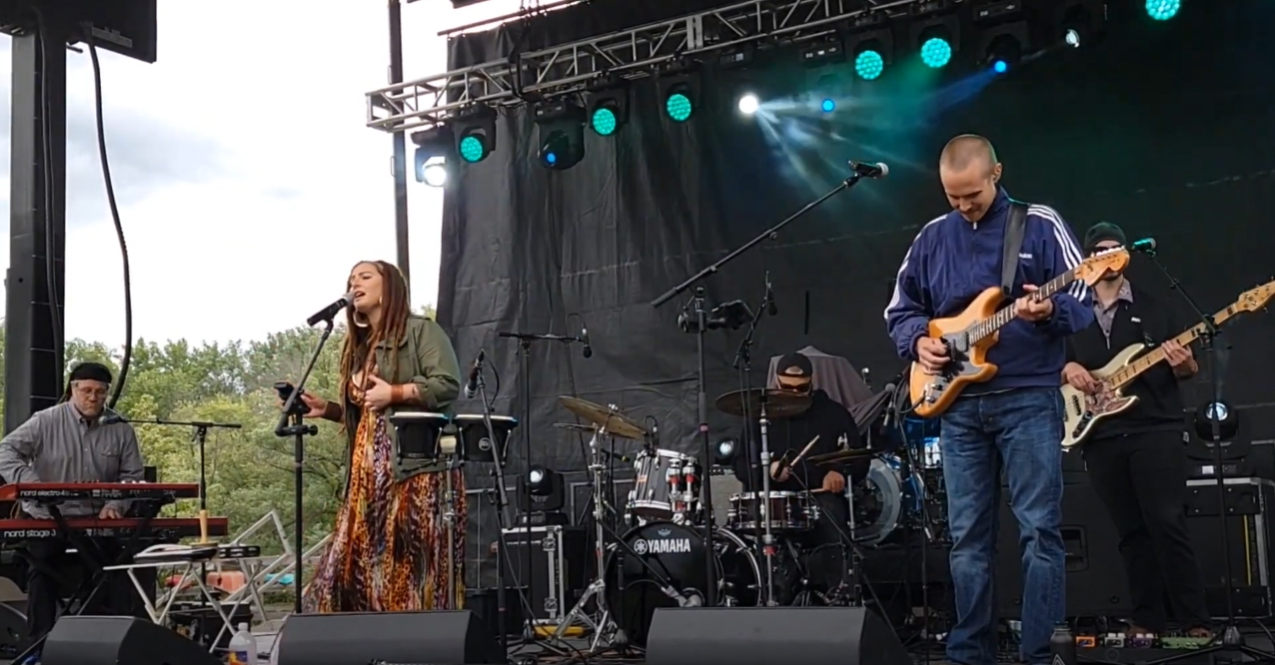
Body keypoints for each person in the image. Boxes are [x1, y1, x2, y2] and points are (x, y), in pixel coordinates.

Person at [884, 135, 1094, 665]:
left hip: (1028, 397)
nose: (963, 206)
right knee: (967, 539)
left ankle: (1040, 653)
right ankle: (968, 653)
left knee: (1038, 530)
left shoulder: (1039, 223)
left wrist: (1050, 312)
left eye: (972, 195)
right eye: (952, 197)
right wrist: (919, 341)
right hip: (958, 406)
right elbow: (900, 309)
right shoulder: (932, 237)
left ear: (996, 174)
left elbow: (1083, 297)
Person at [1062, 222, 1211, 638]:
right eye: (1100, 251)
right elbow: (1051, 363)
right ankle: (1147, 620)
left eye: (1116, 249)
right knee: (1130, 532)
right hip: (1101, 436)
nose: (1109, 256)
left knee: (1167, 522)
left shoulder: (1157, 306)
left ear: (1126, 256)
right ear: (1087, 260)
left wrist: (1184, 364)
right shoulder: (1072, 314)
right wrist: (1067, 366)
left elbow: (1188, 368)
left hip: (1155, 428)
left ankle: (1194, 619)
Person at [297, 260, 465, 612]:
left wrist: (396, 392)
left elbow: (447, 384)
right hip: (367, 480)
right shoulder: (360, 345)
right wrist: (328, 409)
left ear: (389, 287)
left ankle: (417, 639)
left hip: (414, 472)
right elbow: (368, 417)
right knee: (354, 571)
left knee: (409, 573)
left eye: (365, 276)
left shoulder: (420, 331)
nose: (354, 283)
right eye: (350, 279)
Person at [0, 362, 146, 646]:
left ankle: (106, 645)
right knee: (42, 569)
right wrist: (32, 486)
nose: (93, 398)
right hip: (46, 517)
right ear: (73, 390)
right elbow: (5, 450)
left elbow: (132, 476)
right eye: (87, 391)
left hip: (98, 521)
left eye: (100, 392)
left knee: (115, 571)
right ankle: (39, 646)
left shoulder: (120, 428)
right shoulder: (45, 421)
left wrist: (116, 503)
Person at [732, 352, 867, 590]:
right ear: (776, 382)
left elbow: (858, 457)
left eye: (801, 388)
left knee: (832, 518)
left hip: (818, 498)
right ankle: (763, 592)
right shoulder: (760, 416)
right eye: (787, 388)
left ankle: (839, 592)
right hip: (773, 500)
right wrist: (768, 470)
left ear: (812, 382)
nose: (795, 394)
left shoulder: (833, 413)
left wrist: (838, 472)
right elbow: (740, 465)